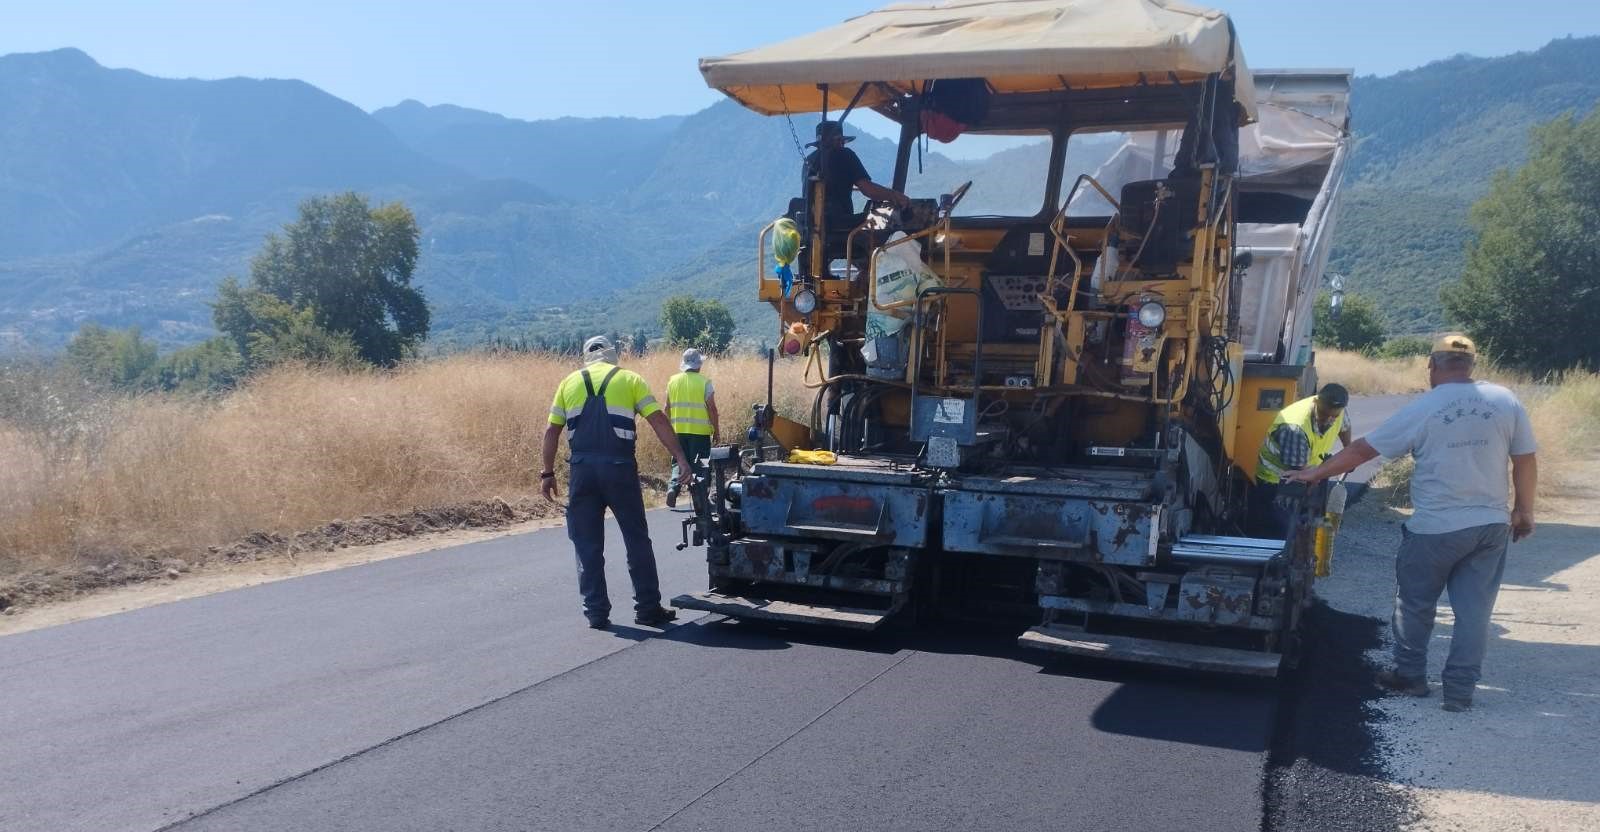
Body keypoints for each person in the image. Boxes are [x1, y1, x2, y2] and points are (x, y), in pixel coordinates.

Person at [1287, 334, 1538, 712]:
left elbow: (1363, 450)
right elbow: (1525, 459)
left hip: (1435, 528)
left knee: (1415, 604)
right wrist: (1524, 511)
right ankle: (1459, 692)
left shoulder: (1425, 406)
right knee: (1474, 612)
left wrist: (1314, 474)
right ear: (1471, 366)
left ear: (1432, 365)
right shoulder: (1505, 400)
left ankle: (1410, 676)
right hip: (1490, 525)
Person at [541, 335, 694, 630]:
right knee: (636, 539)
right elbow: (658, 420)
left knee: (587, 544)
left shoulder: (568, 383)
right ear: (613, 356)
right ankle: (647, 609)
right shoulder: (630, 379)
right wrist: (681, 459)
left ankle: (596, 613)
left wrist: (547, 473)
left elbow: (551, 431)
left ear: (586, 357)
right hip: (619, 470)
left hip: (582, 472)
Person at [1251, 383, 1353, 536]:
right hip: (1277, 481)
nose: (1329, 420)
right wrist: (1320, 478)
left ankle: (1310, 535)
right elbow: (1301, 474)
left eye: (1334, 416)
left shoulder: (1338, 410)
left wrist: (1348, 450)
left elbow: (1344, 426)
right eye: (1324, 414)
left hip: (1308, 471)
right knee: (1285, 529)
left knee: (1309, 522)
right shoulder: (1295, 427)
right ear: (1316, 402)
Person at [801, 120, 911, 239]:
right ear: (839, 140)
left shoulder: (808, 161)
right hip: (839, 225)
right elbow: (869, 190)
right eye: (841, 141)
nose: (842, 145)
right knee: (888, 218)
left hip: (812, 228)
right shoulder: (845, 155)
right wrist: (896, 196)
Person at [664, 348, 719, 509]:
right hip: (700, 434)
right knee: (700, 465)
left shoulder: (672, 381)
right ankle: (700, 499)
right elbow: (712, 409)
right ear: (699, 365)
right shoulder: (704, 382)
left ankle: (673, 488)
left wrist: (670, 428)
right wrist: (716, 431)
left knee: (678, 462)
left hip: (678, 432)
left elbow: (666, 407)